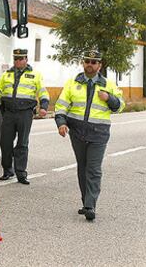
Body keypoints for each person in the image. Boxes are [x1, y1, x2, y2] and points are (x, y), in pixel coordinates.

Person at [54, 50, 125, 221]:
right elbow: (61, 105)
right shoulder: (73, 83)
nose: (90, 64)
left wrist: (109, 98)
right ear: (83, 63)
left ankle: (90, 205)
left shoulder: (108, 84)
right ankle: (86, 201)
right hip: (77, 132)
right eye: (87, 61)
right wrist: (61, 123)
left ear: (99, 65)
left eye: (94, 62)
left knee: (93, 169)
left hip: (99, 133)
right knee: (82, 167)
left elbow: (120, 106)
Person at [0, 49, 50, 185]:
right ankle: (7, 171)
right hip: (9, 113)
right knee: (5, 143)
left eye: (20, 59)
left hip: (25, 113)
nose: (18, 61)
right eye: (16, 59)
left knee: (22, 143)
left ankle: (21, 173)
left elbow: (42, 92)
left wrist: (44, 107)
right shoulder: (7, 75)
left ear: (26, 59)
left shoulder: (35, 75)